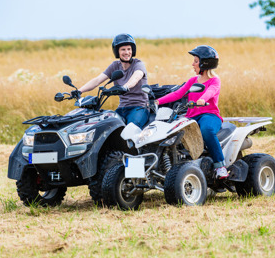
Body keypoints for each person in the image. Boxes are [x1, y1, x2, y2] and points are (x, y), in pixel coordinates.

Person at [155, 45, 228, 179]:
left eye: (195, 61)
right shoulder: (192, 81)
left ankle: (220, 166)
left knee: (207, 130)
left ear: (204, 63)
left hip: (209, 115)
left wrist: (202, 99)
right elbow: (177, 94)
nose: (192, 64)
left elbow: (211, 91)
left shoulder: (215, 80)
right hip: (191, 116)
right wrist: (158, 101)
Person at [78, 33, 149, 129]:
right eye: (123, 49)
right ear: (117, 52)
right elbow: (97, 80)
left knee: (131, 129)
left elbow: (136, 77)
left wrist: (125, 86)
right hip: (121, 108)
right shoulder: (115, 66)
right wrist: (79, 90)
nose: (127, 52)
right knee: (107, 129)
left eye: (129, 49)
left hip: (139, 107)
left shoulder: (138, 64)